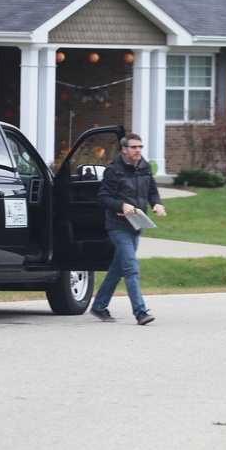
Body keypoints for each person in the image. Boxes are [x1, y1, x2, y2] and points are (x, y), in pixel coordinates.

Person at [90, 133, 167, 325]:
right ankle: (140, 312)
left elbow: (152, 191)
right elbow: (102, 198)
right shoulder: (114, 171)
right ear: (124, 149)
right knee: (131, 267)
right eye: (134, 147)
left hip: (136, 225)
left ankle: (99, 306)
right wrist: (121, 205)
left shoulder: (145, 167)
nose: (138, 150)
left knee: (117, 269)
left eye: (140, 146)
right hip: (118, 226)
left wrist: (157, 204)